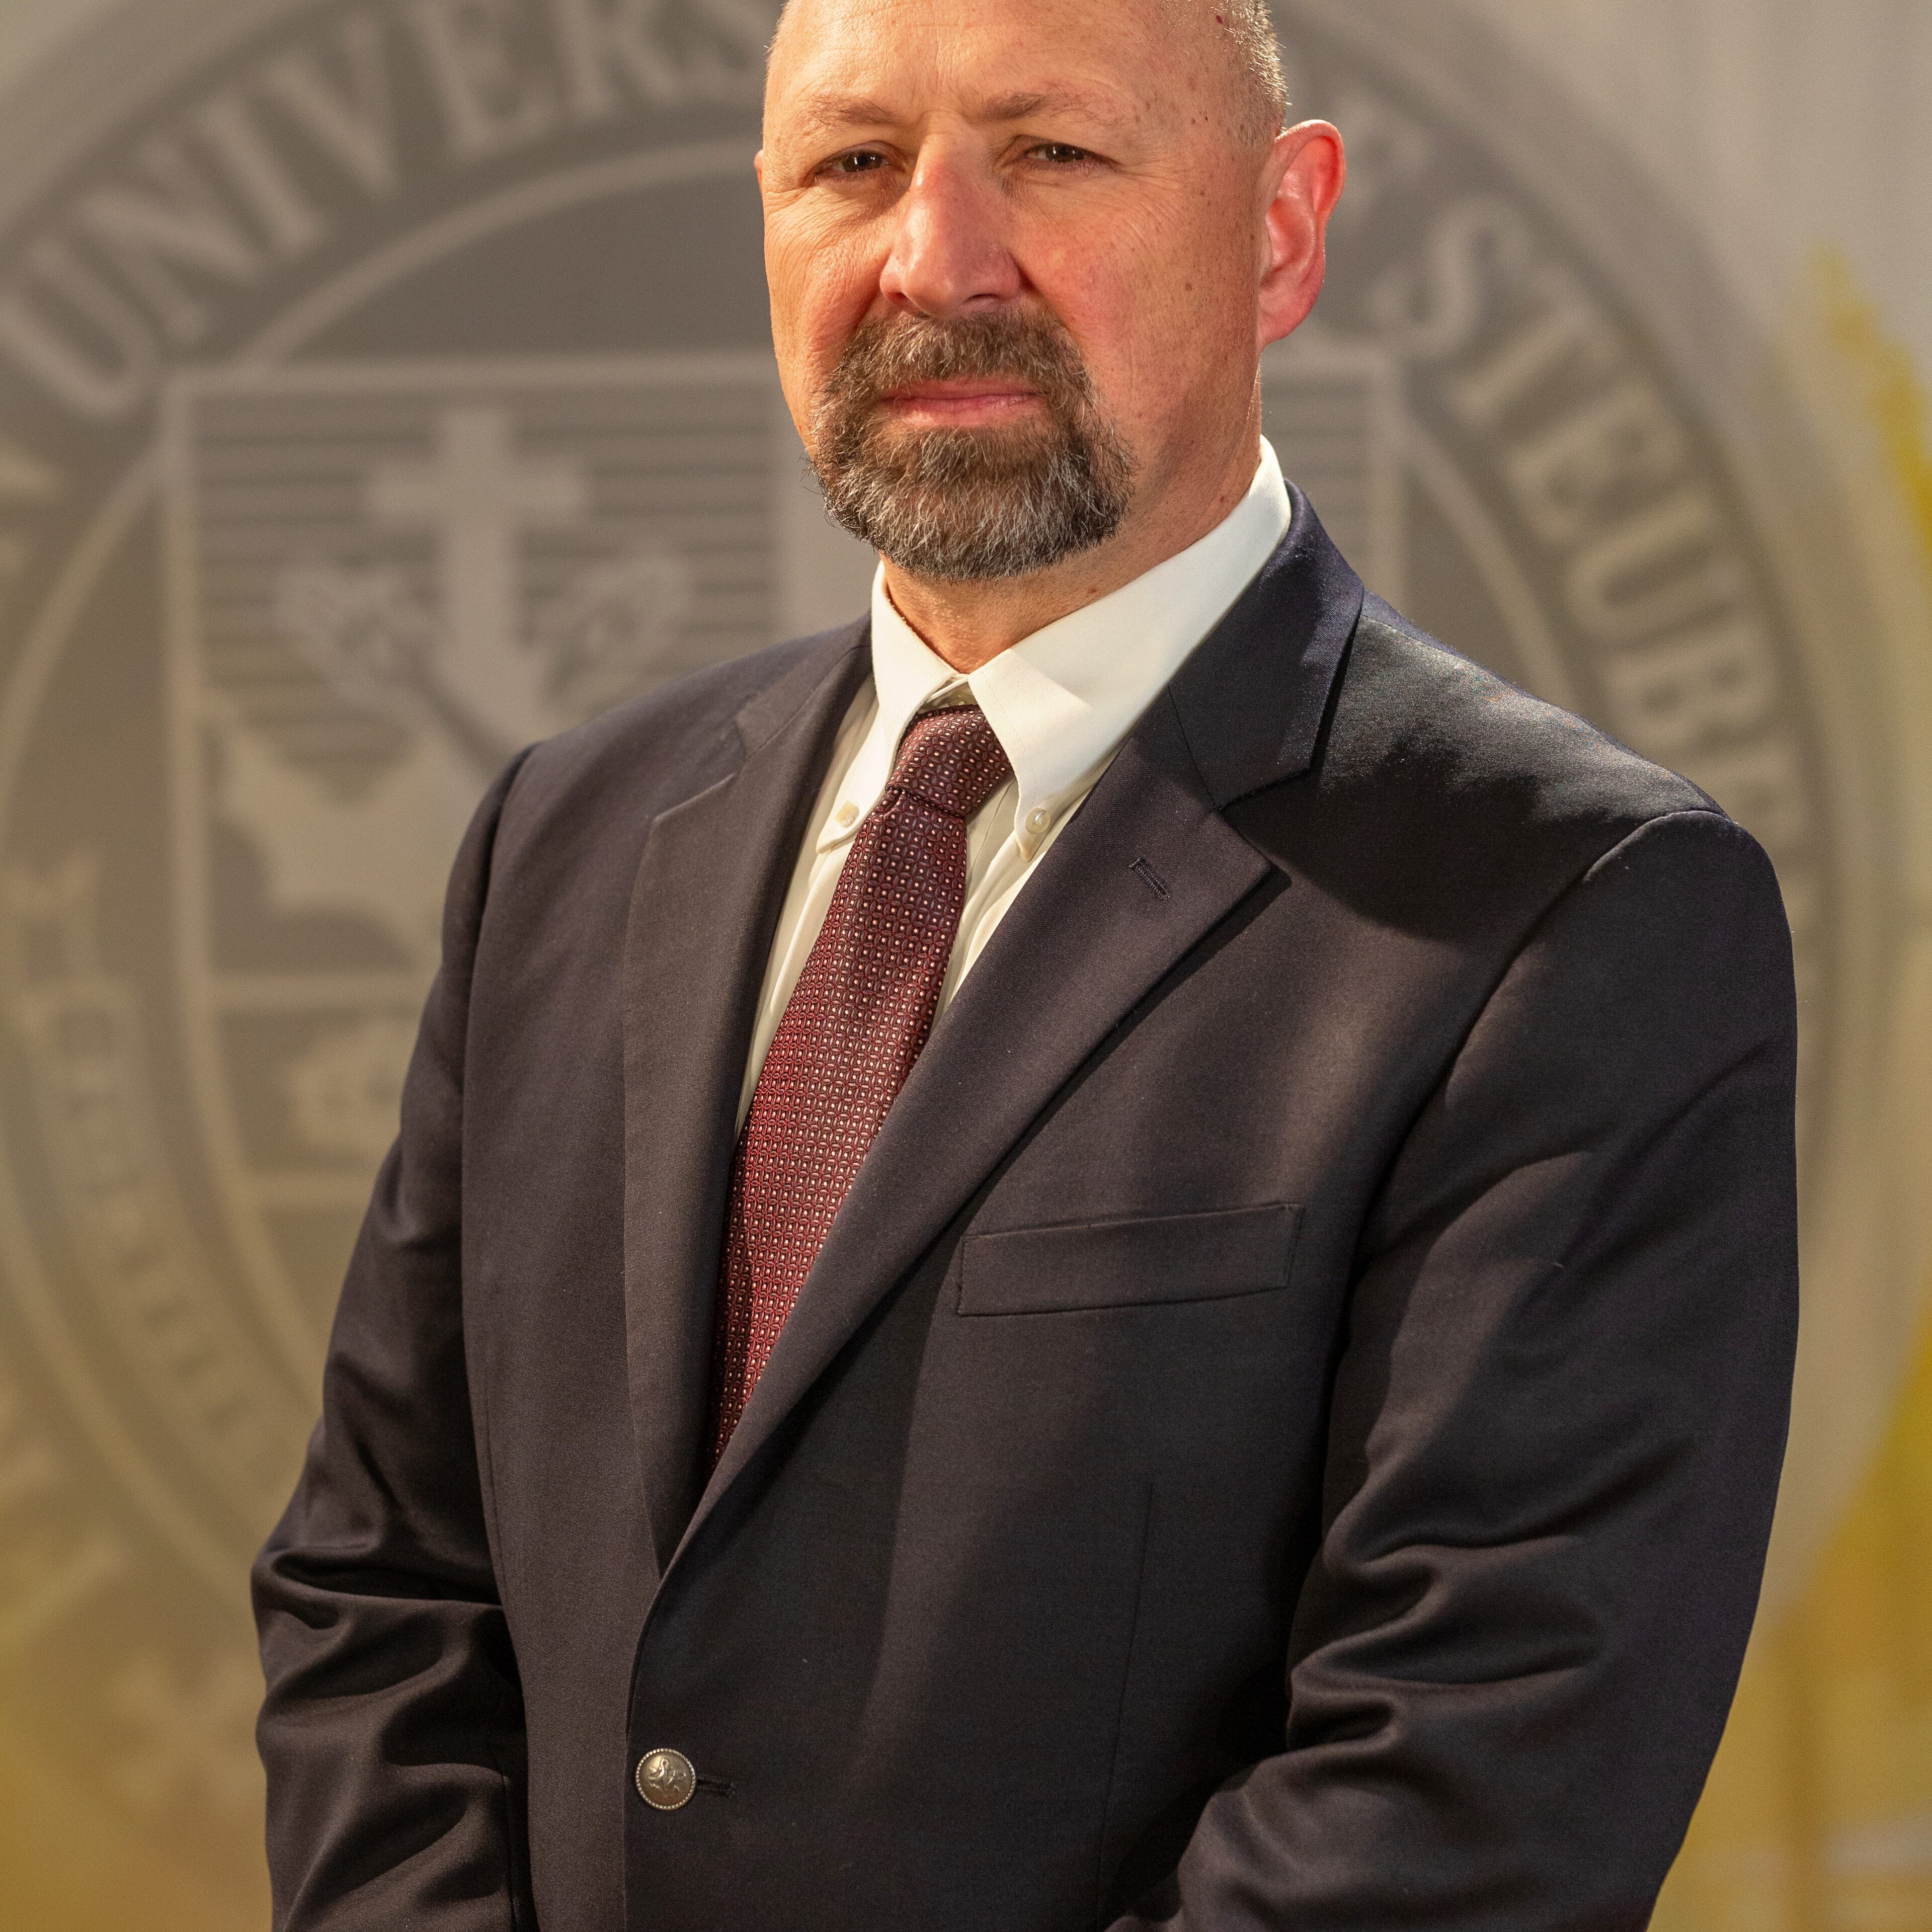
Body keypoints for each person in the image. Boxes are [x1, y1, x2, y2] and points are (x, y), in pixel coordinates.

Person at [252, 0, 1800, 1925]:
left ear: (1281, 229)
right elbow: (383, 1597)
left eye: (1052, 153)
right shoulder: (563, 841)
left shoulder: (1572, 908)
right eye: (851, 166)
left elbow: (1463, 1797)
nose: (935, 258)